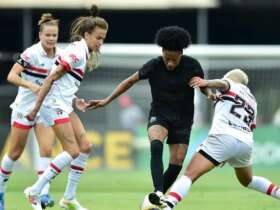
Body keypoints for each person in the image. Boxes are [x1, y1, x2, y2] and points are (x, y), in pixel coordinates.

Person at [86, 26, 215, 207]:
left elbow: (202, 85)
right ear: (162, 52)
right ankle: (158, 192)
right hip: (160, 114)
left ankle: (152, 201)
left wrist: (209, 93)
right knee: (156, 144)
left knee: (177, 162)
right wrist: (107, 100)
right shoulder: (154, 65)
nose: (169, 63)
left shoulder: (192, 65)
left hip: (183, 119)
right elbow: (129, 81)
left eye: (173, 59)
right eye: (166, 58)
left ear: (181, 53)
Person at [24, 5, 108, 210]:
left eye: (103, 38)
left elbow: (63, 84)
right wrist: (36, 108)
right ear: (87, 34)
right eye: (98, 37)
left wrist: (74, 99)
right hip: (52, 105)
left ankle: (68, 197)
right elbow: (52, 77)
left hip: (63, 104)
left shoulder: (82, 50)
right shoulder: (77, 53)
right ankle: (35, 190)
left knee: (85, 147)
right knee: (71, 150)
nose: (101, 42)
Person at [158, 69, 280, 210]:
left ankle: (167, 206)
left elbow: (223, 83)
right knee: (248, 180)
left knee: (189, 174)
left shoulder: (231, 83)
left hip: (224, 136)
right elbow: (252, 125)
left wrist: (207, 82)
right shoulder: (253, 100)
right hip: (246, 142)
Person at [0, 13, 60, 210]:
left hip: (45, 108)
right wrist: (32, 86)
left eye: (54, 35)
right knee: (15, 153)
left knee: (46, 148)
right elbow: (11, 75)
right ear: (40, 35)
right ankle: (0, 191)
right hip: (24, 108)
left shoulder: (59, 56)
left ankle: (41, 194)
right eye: (48, 35)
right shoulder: (30, 54)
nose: (51, 39)